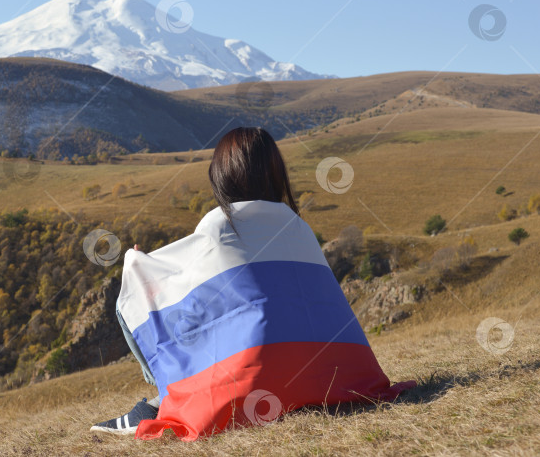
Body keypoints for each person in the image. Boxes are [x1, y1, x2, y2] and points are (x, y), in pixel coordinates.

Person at [91, 126, 414, 438]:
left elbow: (193, 298)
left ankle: (162, 397)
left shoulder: (220, 224)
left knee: (135, 292)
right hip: (336, 375)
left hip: (255, 381)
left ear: (222, 174)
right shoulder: (298, 225)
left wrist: (140, 264)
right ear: (275, 172)